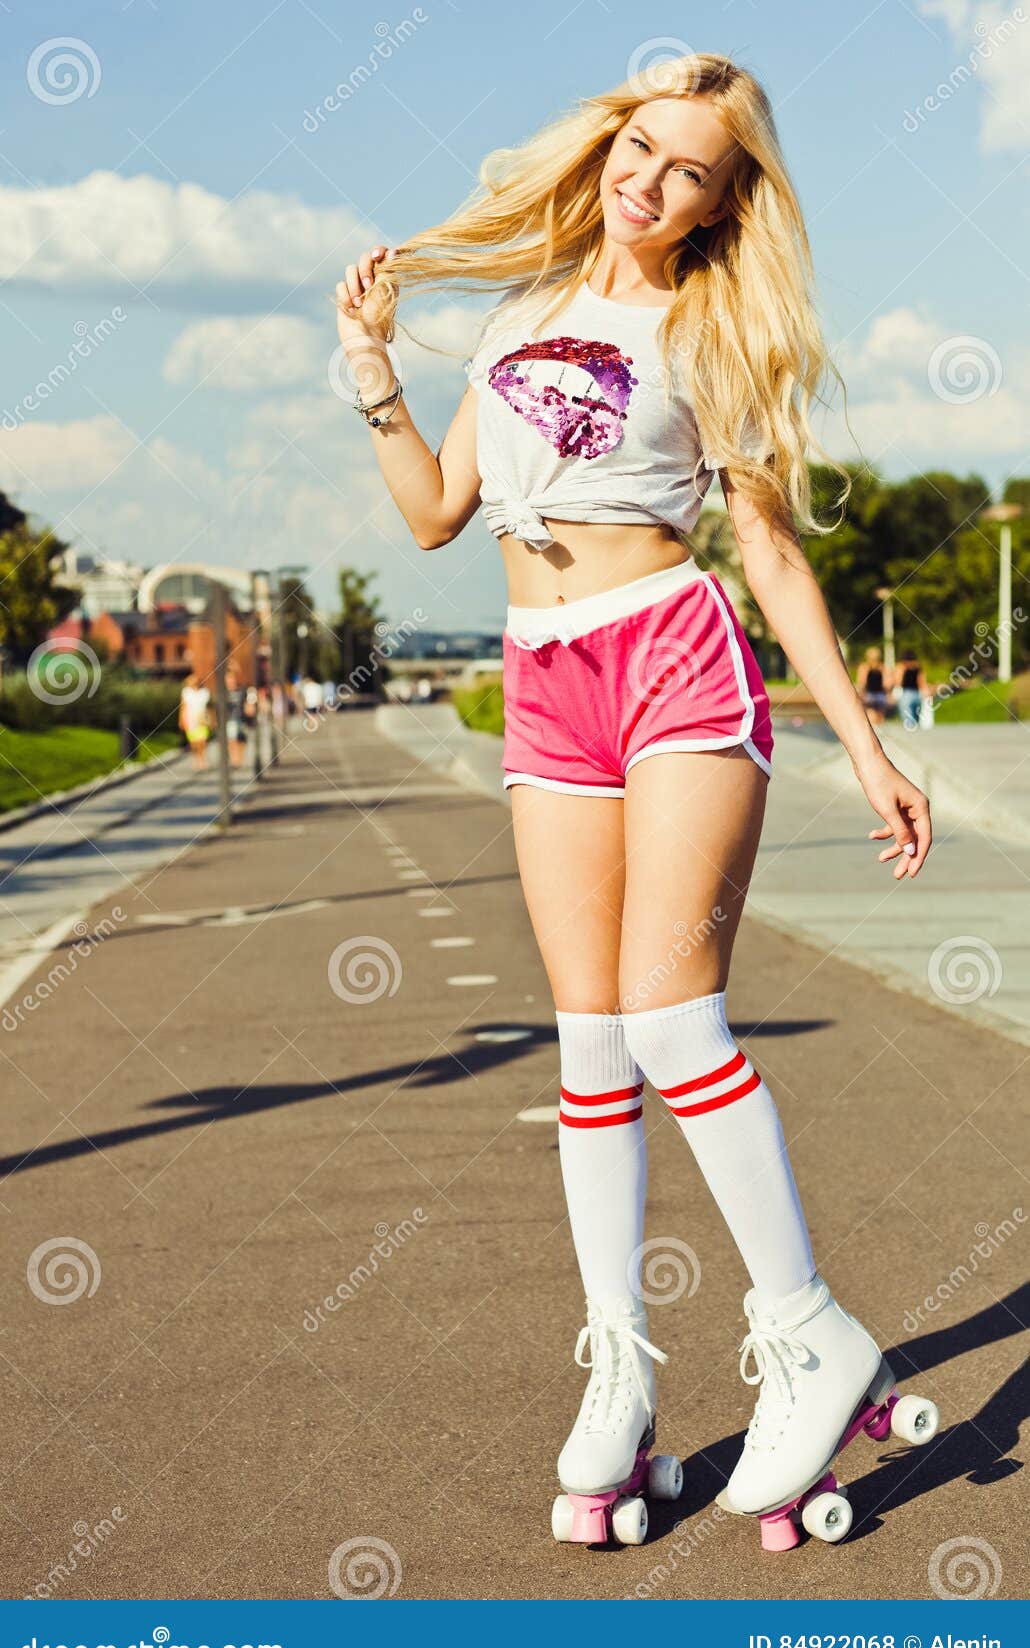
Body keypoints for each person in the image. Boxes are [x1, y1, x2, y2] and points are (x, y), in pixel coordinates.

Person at [335, 54, 937, 1548]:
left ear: (724, 203)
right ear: (608, 145)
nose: (646, 181)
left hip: (671, 657)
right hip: (543, 676)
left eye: (687, 170)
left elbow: (772, 556)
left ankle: (806, 1328)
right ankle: (619, 1365)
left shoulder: (709, 329)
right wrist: (371, 371)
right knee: (591, 1039)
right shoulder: (519, 313)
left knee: (675, 1017)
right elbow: (430, 516)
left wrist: (864, 746)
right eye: (638, 149)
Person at [178, 671, 211, 771]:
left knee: (202, 740)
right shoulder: (186, 692)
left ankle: (203, 758)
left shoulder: (204, 692)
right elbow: (183, 707)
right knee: (194, 741)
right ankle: (197, 759)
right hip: (191, 719)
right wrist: (181, 720)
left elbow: (209, 707)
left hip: (202, 719)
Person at [895, 648, 930, 731]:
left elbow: (898, 681)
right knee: (915, 711)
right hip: (917, 693)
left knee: (907, 711)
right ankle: (913, 726)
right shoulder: (918, 668)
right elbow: (922, 682)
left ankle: (910, 726)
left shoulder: (902, 667)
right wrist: (925, 691)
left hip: (907, 693)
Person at [856, 645, 889, 724]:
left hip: (869, 695)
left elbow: (861, 683)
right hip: (881, 696)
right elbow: (887, 684)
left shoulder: (864, 667)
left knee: (871, 720)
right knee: (880, 720)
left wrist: (860, 695)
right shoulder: (883, 667)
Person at [224, 664, 248, 768]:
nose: (231, 680)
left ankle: (239, 759)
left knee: (242, 740)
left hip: (241, 719)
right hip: (230, 719)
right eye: (229, 678)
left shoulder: (242, 690)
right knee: (232, 739)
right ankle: (234, 760)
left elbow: (247, 703)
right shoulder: (223, 693)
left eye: (232, 678)